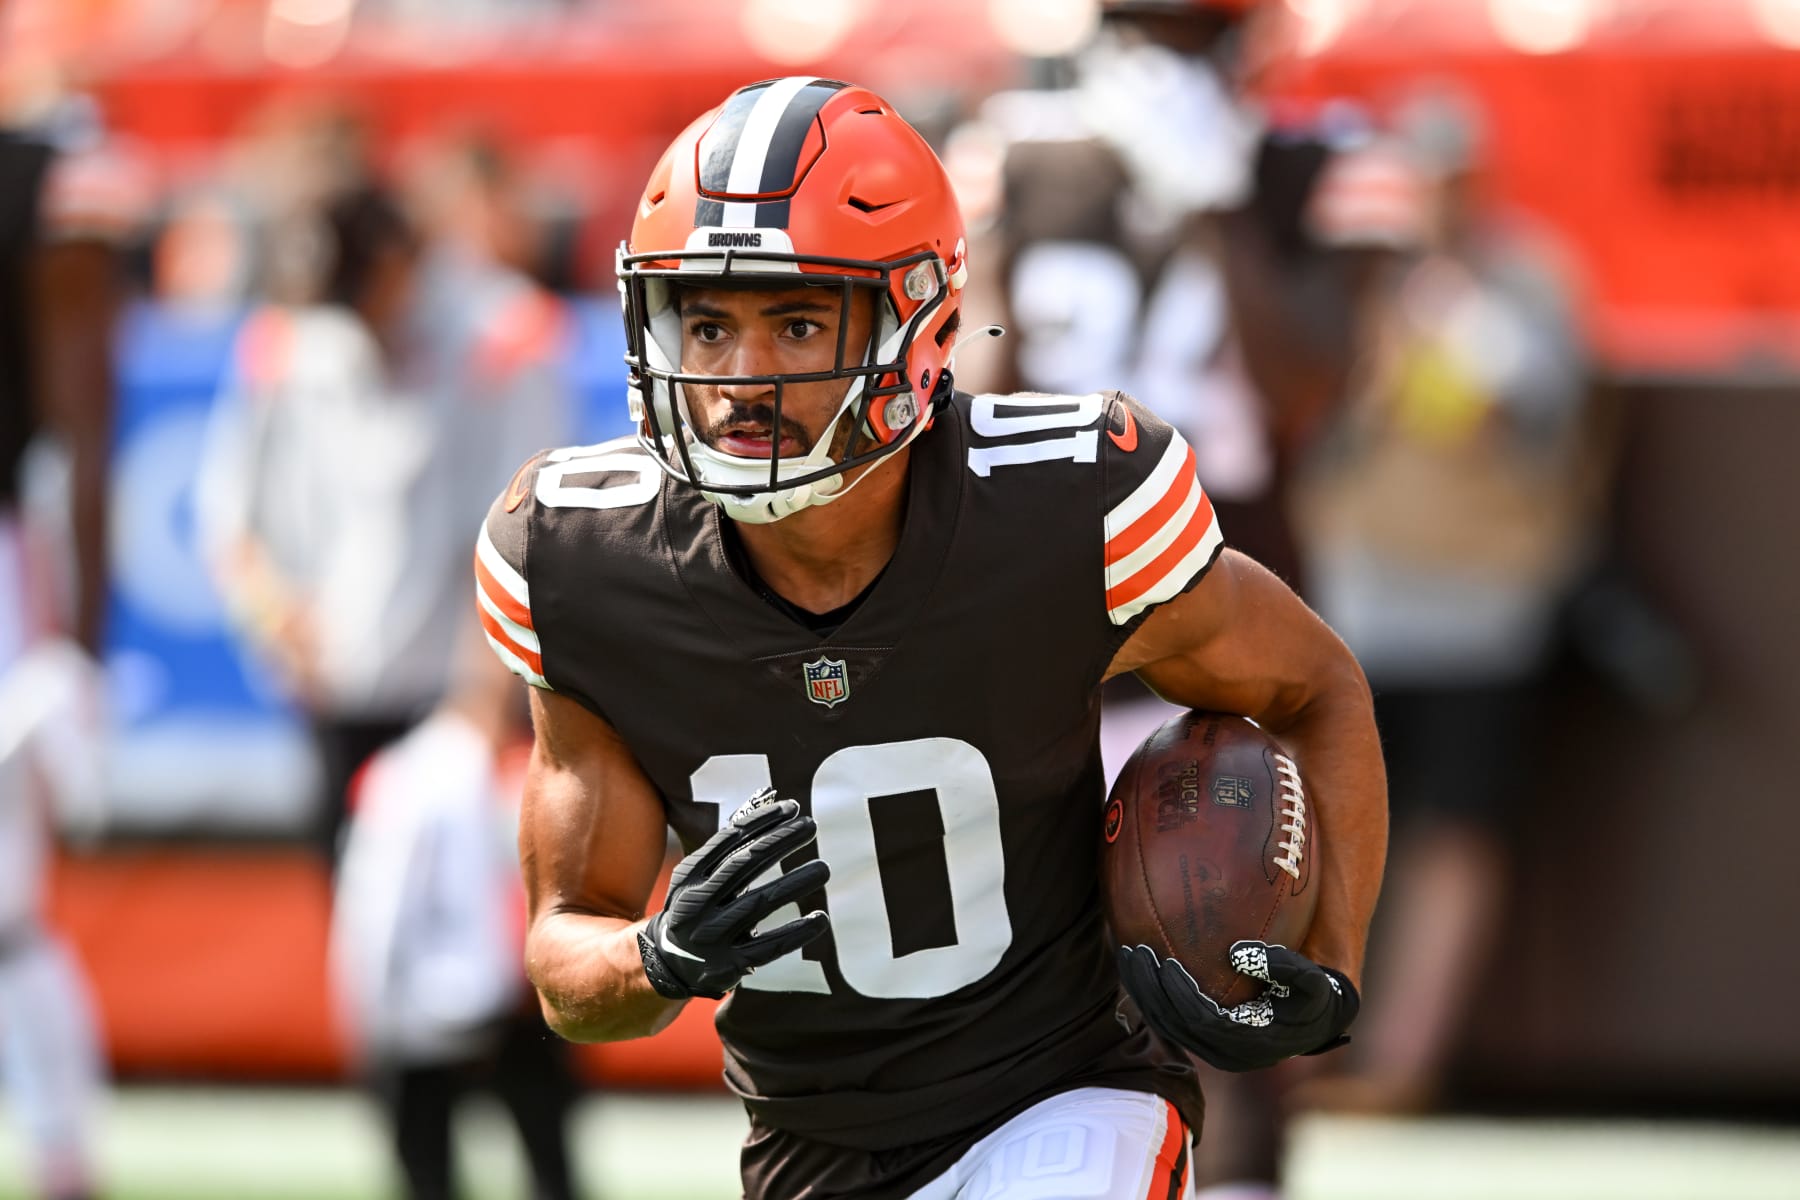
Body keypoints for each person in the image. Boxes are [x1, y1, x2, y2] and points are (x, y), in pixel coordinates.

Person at [476, 78, 1385, 1200]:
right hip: (806, 1143)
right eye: (707, 323)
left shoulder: (1060, 508)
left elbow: (1315, 687)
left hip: (1064, 1096)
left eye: (796, 321)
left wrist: (1331, 961)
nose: (738, 380)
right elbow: (570, 963)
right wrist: (653, 956)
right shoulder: (583, 560)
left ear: (924, 325)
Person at [198, 180, 569, 865]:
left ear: (400, 260)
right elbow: (228, 515)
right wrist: (275, 621)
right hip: (336, 692)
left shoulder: (501, 332)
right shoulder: (288, 341)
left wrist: (483, 701)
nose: (360, 315)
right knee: (356, 913)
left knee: (483, 943)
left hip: (455, 702)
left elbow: (526, 527)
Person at [331, 629, 579, 1200]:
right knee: (430, 1167)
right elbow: (377, 910)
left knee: (550, 1155)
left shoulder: (530, 765)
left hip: (519, 999)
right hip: (432, 1004)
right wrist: (370, 1017)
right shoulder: (413, 775)